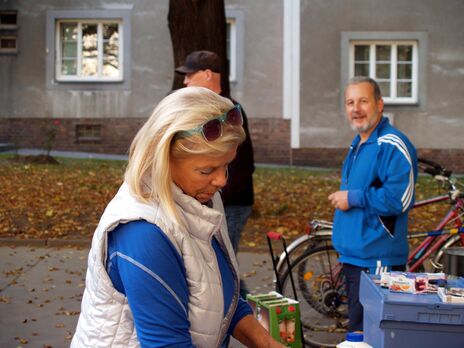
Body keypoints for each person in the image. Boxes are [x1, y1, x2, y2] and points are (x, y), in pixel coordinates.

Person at [71, 87, 283, 348]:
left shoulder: (200, 197)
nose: (221, 180)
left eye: (227, 165)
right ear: (164, 159)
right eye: (207, 170)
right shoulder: (142, 233)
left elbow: (221, 298)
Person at [328, 76, 418, 332]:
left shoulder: (392, 144)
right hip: (354, 257)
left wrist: (352, 197)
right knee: (359, 333)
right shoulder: (359, 143)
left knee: (371, 335)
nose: (355, 108)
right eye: (350, 102)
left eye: (363, 101)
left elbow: (398, 199)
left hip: (375, 260)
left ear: (380, 104)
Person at [175, 50, 255, 257]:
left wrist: (213, 197)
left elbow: (242, 168)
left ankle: (239, 292)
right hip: (215, 201)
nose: (185, 81)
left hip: (231, 204)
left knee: (223, 261)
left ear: (208, 74)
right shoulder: (204, 110)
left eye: (190, 75)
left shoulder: (227, 111)